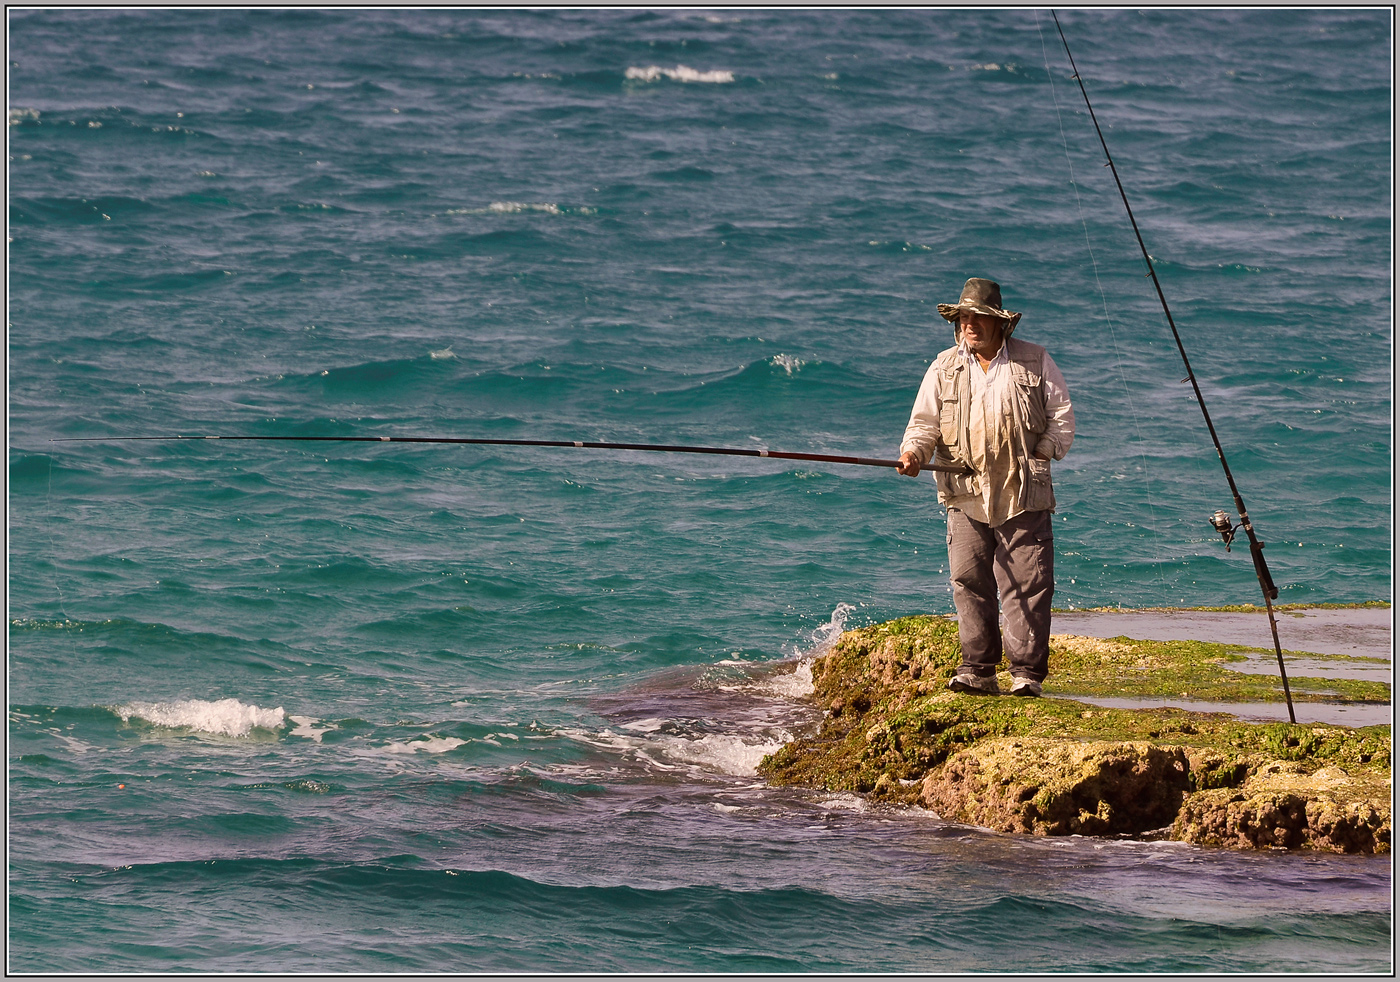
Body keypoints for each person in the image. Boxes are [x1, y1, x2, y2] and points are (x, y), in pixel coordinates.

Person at [896, 277, 1074, 697]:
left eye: (977, 317)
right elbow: (923, 425)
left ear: (999, 323)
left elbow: (1061, 416)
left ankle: (1026, 675)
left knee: (1027, 585)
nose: (968, 324)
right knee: (969, 580)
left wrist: (1043, 453)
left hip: (1022, 491)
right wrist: (914, 455)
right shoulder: (943, 366)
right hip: (963, 493)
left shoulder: (1035, 360)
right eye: (963, 317)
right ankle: (977, 669)